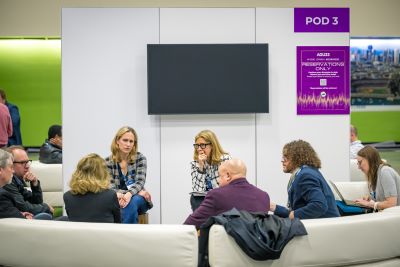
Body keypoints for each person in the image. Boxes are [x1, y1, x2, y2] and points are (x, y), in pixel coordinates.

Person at [184, 159, 270, 228]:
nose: (218, 181)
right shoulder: (264, 196)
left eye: (219, 176)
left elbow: (189, 225)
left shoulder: (216, 195)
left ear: (228, 175)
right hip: (258, 249)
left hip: (223, 249)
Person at [270, 140, 339, 219]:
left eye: (286, 157)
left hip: (322, 227)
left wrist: (290, 215)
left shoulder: (305, 175)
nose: (282, 160)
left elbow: (319, 205)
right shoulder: (306, 172)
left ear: (297, 158)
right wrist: (275, 208)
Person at [105, 126, 152, 224]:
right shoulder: (107, 162)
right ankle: (130, 236)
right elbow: (111, 188)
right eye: (125, 140)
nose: (128, 144)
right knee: (127, 203)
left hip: (139, 200)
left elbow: (140, 182)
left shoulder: (140, 158)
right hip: (118, 199)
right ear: (117, 141)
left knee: (132, 202)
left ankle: (125, 236)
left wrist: (130, 194)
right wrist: (130, 193)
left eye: (131, 141)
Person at [64, 153, 121, 223]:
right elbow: (118, 223)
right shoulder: (110, 195)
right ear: (102, 173)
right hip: (104, 233)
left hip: (78, 233)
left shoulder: (67, 196)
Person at [3, 146, 53, 217]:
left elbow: (36, 202)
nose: (27, 166)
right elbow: (23, 207)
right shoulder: (6, 181)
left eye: (27, 162)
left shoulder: (16, 180)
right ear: (11, 164)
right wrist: (46, 207)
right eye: (22, 162)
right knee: (45, 215)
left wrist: (34, 184)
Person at [190, 129, 231, 211]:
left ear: (212, 145)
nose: (199, 149)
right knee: (195, 198)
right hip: (205, 199)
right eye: (197, 145)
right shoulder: (195, 163)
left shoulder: (225, 159)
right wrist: (201, 166)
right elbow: (197, 191)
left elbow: (228, 186)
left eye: (202, 145)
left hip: (222, 197)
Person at [354, 146, 400, 211]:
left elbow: (391, 204)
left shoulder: (385, 172)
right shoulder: (376, 174)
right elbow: (382, 198)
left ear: (370, 159)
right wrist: (371, 198)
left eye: (360, 162)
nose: (358, 167)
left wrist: (369, 204)